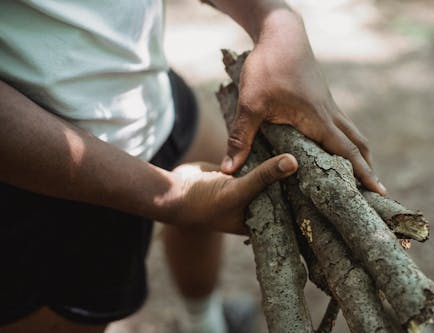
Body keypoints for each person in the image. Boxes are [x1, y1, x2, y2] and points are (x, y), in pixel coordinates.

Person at [0, 1, 386, 332]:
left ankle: (204, 324)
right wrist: (171, 198)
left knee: (208, 184)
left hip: (148, 94)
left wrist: (275, 22)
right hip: (43, 170)